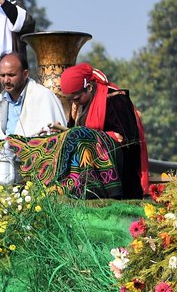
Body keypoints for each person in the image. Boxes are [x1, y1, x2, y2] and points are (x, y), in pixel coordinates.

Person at [60, 63, 150, 199]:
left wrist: (89, 136)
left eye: (77, 99)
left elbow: (127, 138)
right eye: (72, 100)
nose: (75, 103)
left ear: (89, 88)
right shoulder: (77, 105)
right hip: (88, 170)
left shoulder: (115, 99)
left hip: (121, 172)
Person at [0, 52, 66, 140]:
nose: (6, 80)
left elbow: (55, 139)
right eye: (2, 75)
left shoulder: (43, 96)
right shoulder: (1, 99)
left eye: (11, 75)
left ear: (25, 74)